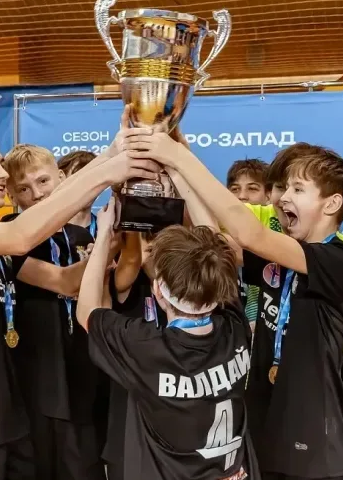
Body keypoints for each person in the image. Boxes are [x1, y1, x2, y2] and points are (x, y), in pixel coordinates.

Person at [0, 130, 157, 480]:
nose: (2, 173)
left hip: (9, 417)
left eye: (0, 164)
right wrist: (106, 172)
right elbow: (19, 236)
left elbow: (65, 281)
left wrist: (113, 156)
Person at [125, 132, 343, 480]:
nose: (283, 198)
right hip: (264, 426)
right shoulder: (281, 258)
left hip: (316, 443)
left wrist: (179, 157)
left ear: (331, 204)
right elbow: (216, 240)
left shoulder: (339, 259)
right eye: (284, 188)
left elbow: (251, 234)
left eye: (298, 189)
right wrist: (178, 172)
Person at [77, 199, 258, 480]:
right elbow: (215, 250)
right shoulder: (234, 325)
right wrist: (180, 175)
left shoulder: (145, 347)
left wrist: (102, 237)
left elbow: (86, 312)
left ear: (158, 291)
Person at [2, 144, 105, 480]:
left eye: (43, 181)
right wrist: (109, 245)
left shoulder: (79, 235)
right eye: (23, 189)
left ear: (62, 179)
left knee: (85, 462)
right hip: (39, 368)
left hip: (82, 363)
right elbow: (65, 283)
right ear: (12, 195)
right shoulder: (8, 233)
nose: (37, 194)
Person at [58, 150, 99, 235]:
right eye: (79, 178)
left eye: (93, 178)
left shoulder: (108, 231)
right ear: (61, 180)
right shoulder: (45, 233)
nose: (87, 185)